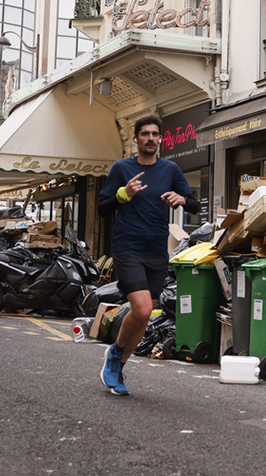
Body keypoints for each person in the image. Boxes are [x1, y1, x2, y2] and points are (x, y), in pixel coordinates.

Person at [97, 114, 198, 395]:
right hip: (128, 247)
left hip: (157, 250)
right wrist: (123, 194)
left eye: (155, 134)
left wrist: (183, 199)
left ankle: (118, 365)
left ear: (160, 138)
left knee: (144, 316)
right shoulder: (122, 168)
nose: (151, 138)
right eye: (145, 134)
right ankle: (115, 353)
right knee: (141, 309)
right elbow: (102, 208)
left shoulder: (171, 170)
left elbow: (194, 204)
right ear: (136, 139)